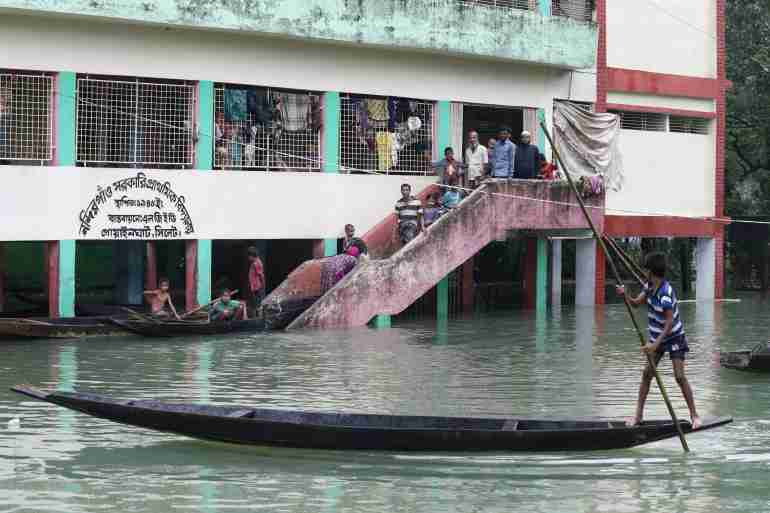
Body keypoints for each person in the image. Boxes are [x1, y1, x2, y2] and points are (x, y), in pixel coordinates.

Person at [616, 252, 701, 429]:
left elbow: (669, 323)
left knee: (679, 377)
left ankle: (694, 415)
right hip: (657, 336)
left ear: (651, 272)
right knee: (647, 374)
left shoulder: (665, 293)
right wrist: (625, 295)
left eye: (646, 270)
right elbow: (635, 304)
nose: (644, 273)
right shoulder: (648, 287)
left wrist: (655, 345)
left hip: (674, 336)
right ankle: (638, 416)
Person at [247, 246, 265, 317]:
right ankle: (256, 316)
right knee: (255, 303)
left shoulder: (256, 263)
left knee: (257, 303)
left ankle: (258, 317)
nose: (248, 258)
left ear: (252, 256)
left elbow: (261, 275)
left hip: (257, 287)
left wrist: (262, 285)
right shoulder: (255, 262)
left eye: (249, 256)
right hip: (254, 286)